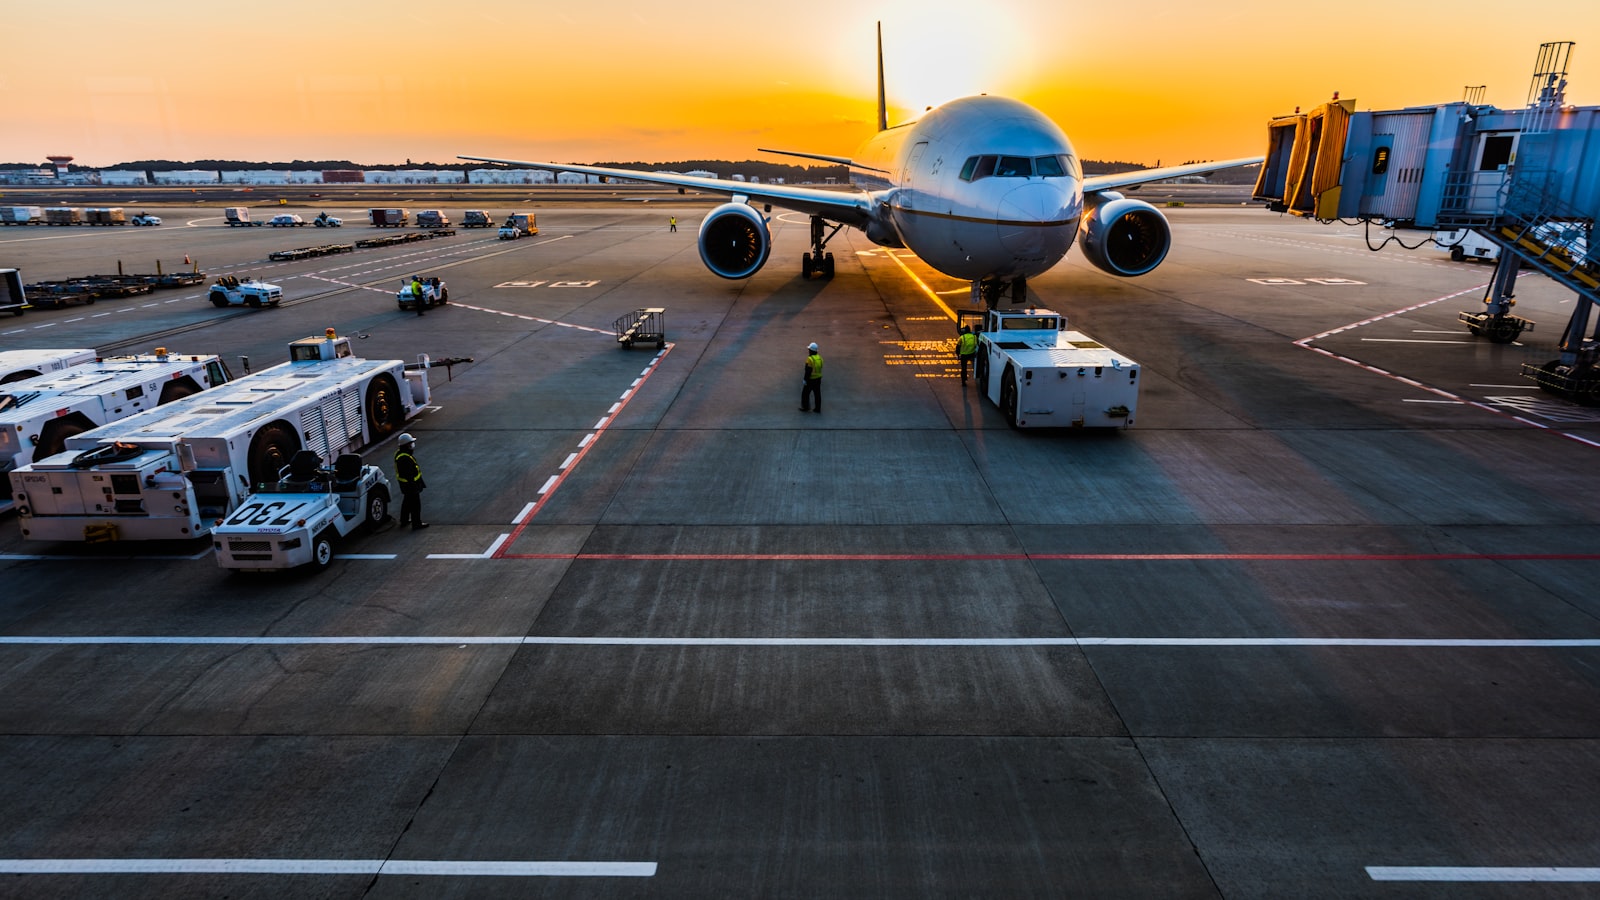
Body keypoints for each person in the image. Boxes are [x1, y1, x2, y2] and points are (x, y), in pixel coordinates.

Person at [394, 433, 427, 529]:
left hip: (405, 485)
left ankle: (404, 520)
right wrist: (415, 486)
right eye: (410, 444)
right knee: (415, 505)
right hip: (410, 485)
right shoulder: (405, 458)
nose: (412, 446)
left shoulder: (400, 454)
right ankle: (416, 523)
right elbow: (409, 474)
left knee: (407, 502)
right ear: (406, 445)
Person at [800, 342, 823, 413]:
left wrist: (805, 379)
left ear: (811, 351)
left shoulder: (810, 359)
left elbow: (808, 371)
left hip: (811, 380)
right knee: (817, 394)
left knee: (805, 394)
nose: (808, 351)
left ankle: (806, 407)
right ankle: (817, 408)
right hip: (818, 379)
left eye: (809, 349)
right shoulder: (820, 358)